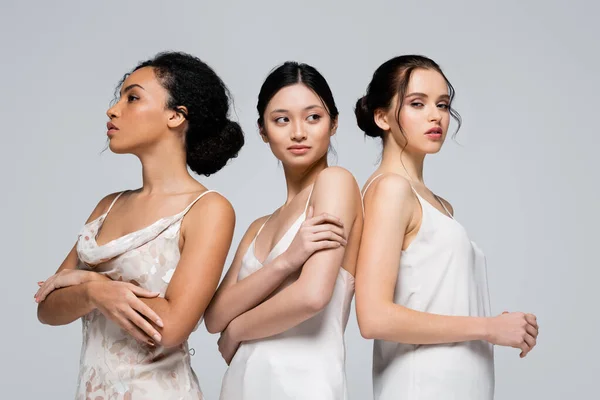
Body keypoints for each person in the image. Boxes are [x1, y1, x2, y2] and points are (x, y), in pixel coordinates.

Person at [35, 51, 244, 399]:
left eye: (132, 98)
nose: (113, 110)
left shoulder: (208, 209)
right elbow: (47, 307)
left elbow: (173, 326)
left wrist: (88, 280)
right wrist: (93, 293)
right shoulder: (109, 205)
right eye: (119, 98)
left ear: (176, 116)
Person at [354, 54, 539, 400]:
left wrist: (497, 323)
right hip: (422, 387)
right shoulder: (390, 190)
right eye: (417, 103)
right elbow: (373, 316)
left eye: (442, 104)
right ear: (382, 116)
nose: (435, 115)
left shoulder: (436, 204)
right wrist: (488, 328)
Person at [204, 61, 363, 399]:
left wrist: (238, 330)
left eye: (313, 117)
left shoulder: (335, 182)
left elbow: (312, 296)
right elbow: (214, 317)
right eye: (281, 119)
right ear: (263, 130)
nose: (298, 132)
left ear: (334, 123)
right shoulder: (258, 227)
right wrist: (287, 261)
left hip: (303, 384)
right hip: (242, 384)